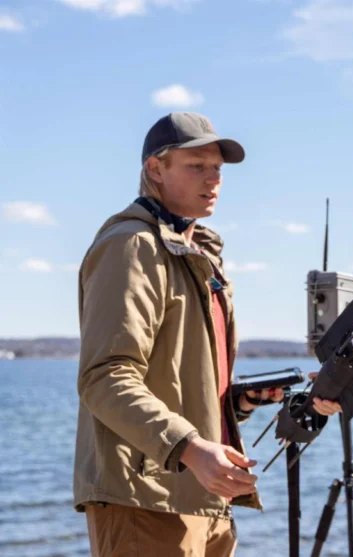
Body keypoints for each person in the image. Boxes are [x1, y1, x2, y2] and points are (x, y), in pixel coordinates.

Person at [74, 112, 283, 557]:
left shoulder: (193, 252)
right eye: (196, 166)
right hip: (146, 501)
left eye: (218, 170)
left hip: (202, 498)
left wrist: (236, 405)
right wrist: (190, 447)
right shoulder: (132, 245)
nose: (213, 180)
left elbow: (179, 380)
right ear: (156, 169)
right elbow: (105, 377)